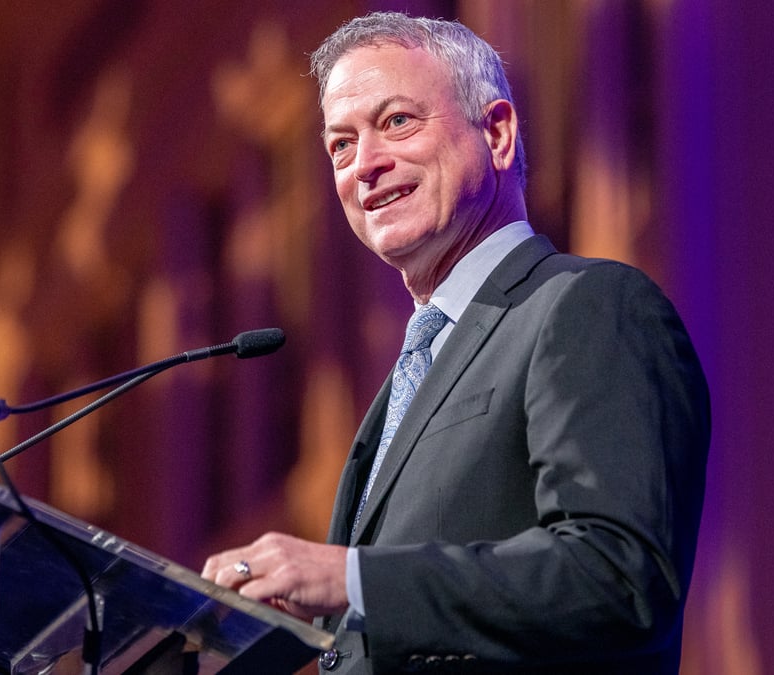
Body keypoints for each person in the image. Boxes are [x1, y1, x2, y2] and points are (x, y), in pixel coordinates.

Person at [202, 12, 710, 674]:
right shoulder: (409, 376)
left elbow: (617, 575)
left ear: (496, 132)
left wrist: (352, 580)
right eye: (340, 146)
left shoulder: (588, 306)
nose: (366, 166)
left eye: (396, 122)